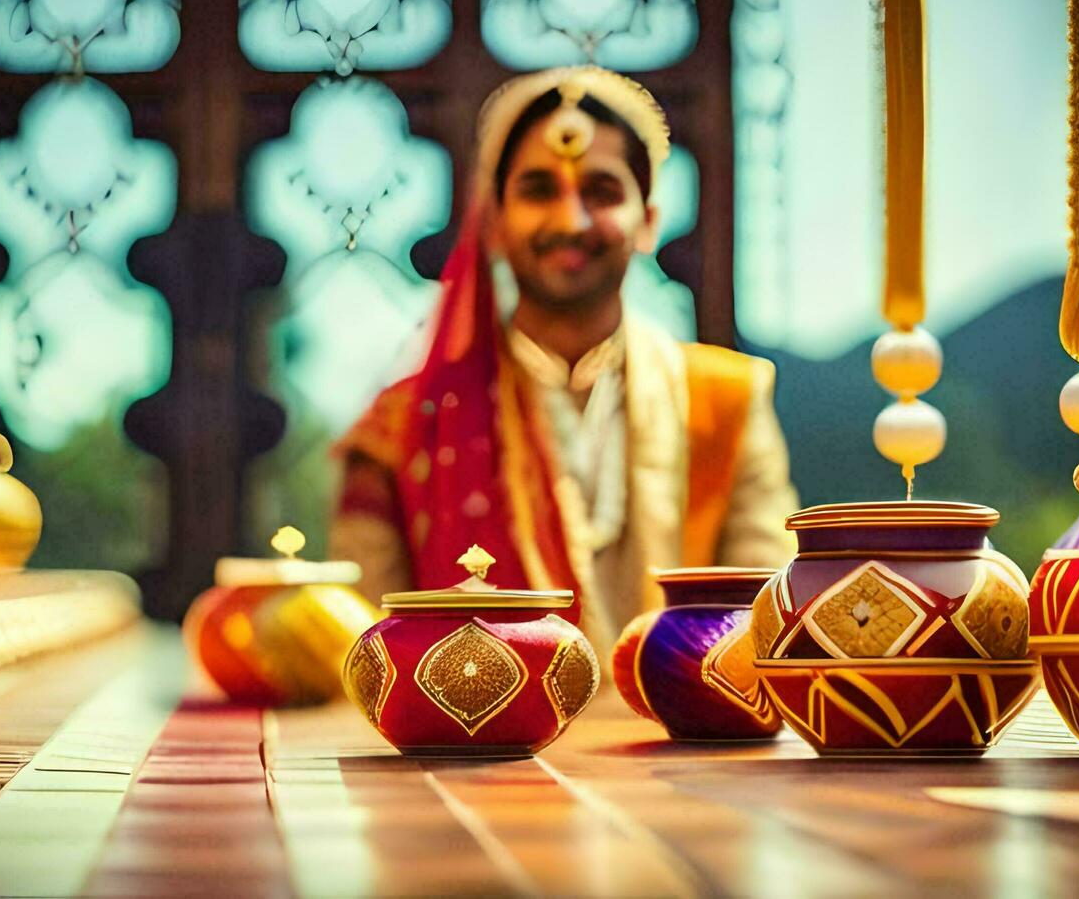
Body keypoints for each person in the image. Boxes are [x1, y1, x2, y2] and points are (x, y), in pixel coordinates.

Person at [330, 66, 798, 650]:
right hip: (476, 739)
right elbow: (365, 645)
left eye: (602, 192)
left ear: (649, 220)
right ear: (494, 222)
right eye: (539, 190)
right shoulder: (400, 429)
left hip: (682, 736)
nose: (571, 221)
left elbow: (767, 619)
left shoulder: (726, 402)